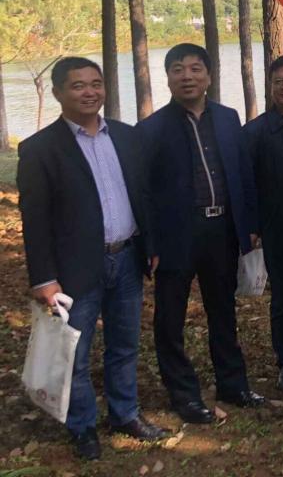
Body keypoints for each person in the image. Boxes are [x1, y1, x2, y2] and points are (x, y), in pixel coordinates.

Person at [18, 57, 167, 460]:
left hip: (127, 258)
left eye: (96, 83)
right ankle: (82, 426)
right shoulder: (40, 149)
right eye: (78, 85)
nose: (89, 92)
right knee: (75, 353)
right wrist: (44, 278)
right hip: (75, 269)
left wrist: (151, 245)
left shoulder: (126, 136)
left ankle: (125, 414)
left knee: (125, 345)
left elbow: (142, 195)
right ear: (58, 93)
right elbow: (35, 220)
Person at [138, 44, 264, 424]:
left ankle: (233, 384)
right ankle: (183, 394)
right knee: (170, 319)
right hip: (175, 236)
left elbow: (243, 173)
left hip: (221, 230)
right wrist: (149, 243)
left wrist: (250, 225)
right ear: (168, 78)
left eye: (195, 68)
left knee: (223, 311)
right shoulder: (151, 129)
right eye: (178, 69)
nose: (187, 76)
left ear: (209, 76)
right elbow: (143, 194)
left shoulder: (227, 118)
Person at [242, 55, 283, 395]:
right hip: (278, 229)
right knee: (282, 298)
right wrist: (253, 226)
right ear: (270, 87)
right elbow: (246, 184)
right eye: (278, 81)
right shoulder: (256, 131)